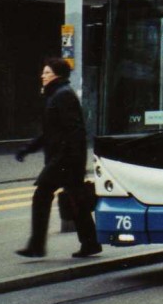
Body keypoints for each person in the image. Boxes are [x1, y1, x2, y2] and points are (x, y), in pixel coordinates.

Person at [15, 58, 102, 259]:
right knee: (76, 201)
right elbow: (50, 133)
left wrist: (60, 160)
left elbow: (75, 132)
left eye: (46, 72)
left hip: (64, 161)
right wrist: (28, 149)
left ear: (56, 75)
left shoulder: (62, 96)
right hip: (66, 160)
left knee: (42, 196)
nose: (42, 76)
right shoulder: (57, 95)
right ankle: (90, 243)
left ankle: (37, 246)